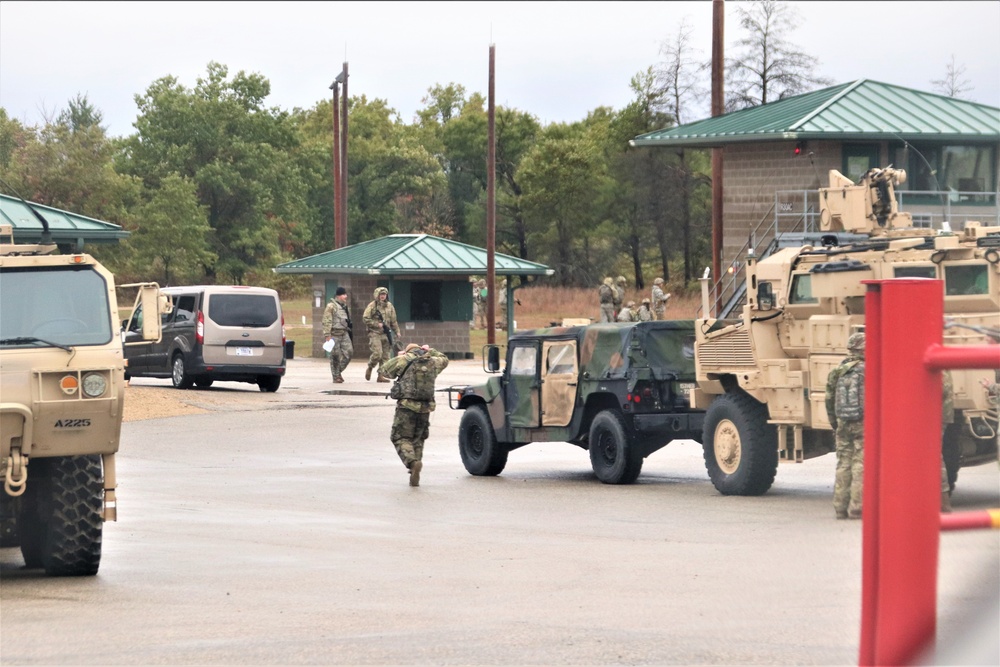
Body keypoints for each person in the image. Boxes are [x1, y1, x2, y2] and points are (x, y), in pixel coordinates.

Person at [381, 343, 449, 486]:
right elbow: (444, 358)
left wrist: (399, 357)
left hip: (406, 406)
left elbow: (384, 370)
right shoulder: (433, 361)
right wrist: (430, 350)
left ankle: (412, 463)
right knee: (418, 439)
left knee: (400, 437)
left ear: (408, 351)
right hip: (426, 407)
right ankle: (415, 467)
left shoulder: (403, 360)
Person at [825, 332, 866, 520]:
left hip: (842, 423)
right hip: (863, 423)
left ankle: (840, 508)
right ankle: (857, 507)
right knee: (860, 463)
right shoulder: (869, 369)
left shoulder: (838, 370)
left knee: (843, 463)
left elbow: (829, 399)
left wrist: (834, 423)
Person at [362, 287, 401, 383]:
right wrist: (376, 324)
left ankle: (381, 376)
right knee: (377, 354)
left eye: (384, 294)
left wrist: (397, 331)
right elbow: (365, 318)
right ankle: (370, 367)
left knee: (385, 357)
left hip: (385, 334)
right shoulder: (372, 306)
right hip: (375, 333)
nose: (383, 296)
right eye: (381, 294)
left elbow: (393, 321)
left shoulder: (389, 306)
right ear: (377, 295)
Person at [321, 286, 353, 384]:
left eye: (345, 294)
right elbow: (327, 320)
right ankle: (336, 377)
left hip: (344, 333)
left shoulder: (344, 306)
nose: (345, 296)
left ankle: (337, 372)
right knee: (335, 356)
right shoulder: (331, 306)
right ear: (338, 296)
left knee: (349, 353)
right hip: (334, 334)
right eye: (343, 295)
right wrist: (327, 335)